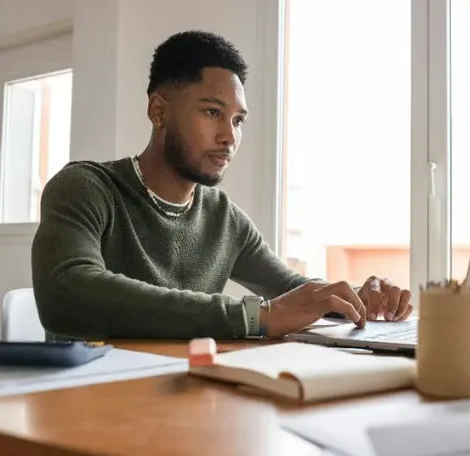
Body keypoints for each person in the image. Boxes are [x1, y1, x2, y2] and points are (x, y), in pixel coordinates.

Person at [31, 30, 412, 341]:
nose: (229, 136)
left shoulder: (223, 218)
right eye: (213, 112)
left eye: (238, 120)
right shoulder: (85, 187)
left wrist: (355, 296)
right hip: (90, 405)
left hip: (187, 397)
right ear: (158, 111)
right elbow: (67, 293)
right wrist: (253, 317)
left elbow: (290, 291)